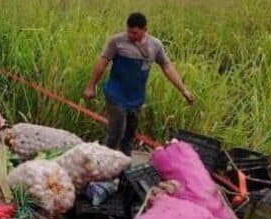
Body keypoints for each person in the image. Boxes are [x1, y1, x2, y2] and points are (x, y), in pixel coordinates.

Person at [83, 12, 194, 154]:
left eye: (134, 33)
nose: (130, 35)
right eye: (128, 31)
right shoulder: (116, 41)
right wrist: (91, 86)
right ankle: (106, 166)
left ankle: (125, 165)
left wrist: (183, 89)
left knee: (129, 136)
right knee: (116, 134)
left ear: (145, 30)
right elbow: (102, 62)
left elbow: (167, 67)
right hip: (116, 94)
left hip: (136, 98)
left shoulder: (155, 45)